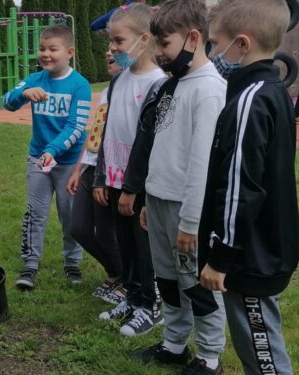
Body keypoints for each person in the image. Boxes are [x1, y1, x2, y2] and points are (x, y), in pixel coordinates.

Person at [126, 1, 227, 374]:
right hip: (160, 202)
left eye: (164, 44)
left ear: (193, 38)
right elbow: (161, 147)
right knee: (167, 279)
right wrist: (150, 200)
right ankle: (174, 343)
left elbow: (202, 164)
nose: (159, 54)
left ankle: (210, 355)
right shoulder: (174, 84)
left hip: (188, 212)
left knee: (195, 284)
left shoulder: (210, 90)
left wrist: (189, 222)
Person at [199, 1, 299, 374]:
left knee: (263, 351)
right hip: (259, 246)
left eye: (215, 43)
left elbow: (241, 185)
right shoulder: (271, 91)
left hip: (249, 253)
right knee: (255, 344)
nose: (212, 54)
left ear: (241, 44)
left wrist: (221, 256)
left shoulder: (251, 100)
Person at [93, 3, 166, 337]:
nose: (112, 48)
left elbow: (150, 142)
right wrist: (102, 176)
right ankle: (133, 298)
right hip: (115, 180)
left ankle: (151, 306)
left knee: (144, 247)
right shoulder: (119, 80)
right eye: (111, 41)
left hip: (138, 186)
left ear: (144, 39)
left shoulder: (158, 84)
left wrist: (134, 189)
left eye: (119, 41)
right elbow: (108, 131)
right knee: (125, 245)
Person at [3, 25, 92, 290]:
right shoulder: (34, 79)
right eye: (42, 48)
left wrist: (51, 151)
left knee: (70, 215)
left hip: (67, 165)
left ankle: (72, 263)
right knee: (35, 213)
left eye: (53, 49)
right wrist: (23, 94)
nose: (46, 54)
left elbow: (76, 128)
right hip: (38, 160)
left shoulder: (80, 85)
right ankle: (30, 265)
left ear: (69, 52)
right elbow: (6, 101)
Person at [67, 51, 125, 304]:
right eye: (108, 46)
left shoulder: (133, 91)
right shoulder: (108, 91)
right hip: (90, 167)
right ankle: (117, 273)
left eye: (117, 44)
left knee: (106, 234)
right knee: (78, 228)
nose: (108, 51)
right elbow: (96, 131)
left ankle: (124, 279)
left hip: (109, 171)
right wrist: (79, 168)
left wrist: (103, 177)